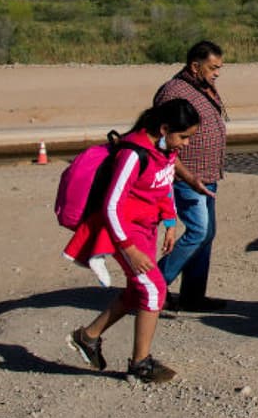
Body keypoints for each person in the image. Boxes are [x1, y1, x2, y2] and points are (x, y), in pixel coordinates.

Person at [66, 98, 201, 383]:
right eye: (183, 137)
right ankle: (140, 363)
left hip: (147, 228)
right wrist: (128, 249)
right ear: (164, 129)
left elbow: (163, 186)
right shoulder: (132, 154)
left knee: (137, 291)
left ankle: (88, 337)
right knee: (154, 289)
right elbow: (111, 206)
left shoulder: (165, 151)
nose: (186, 144)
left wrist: (170, 224)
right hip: (125, 233)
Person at [155, 40, 228, 312]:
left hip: (206, 176)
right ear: (195, 66)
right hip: (185, 176)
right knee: (198, 231)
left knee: (207, 233)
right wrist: (185, 175)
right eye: (213, 67)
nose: (217, 73)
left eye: (219, 68)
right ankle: (153, 285)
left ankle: (193, 296)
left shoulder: (203, 86)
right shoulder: (173, 91)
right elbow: (162, 139)